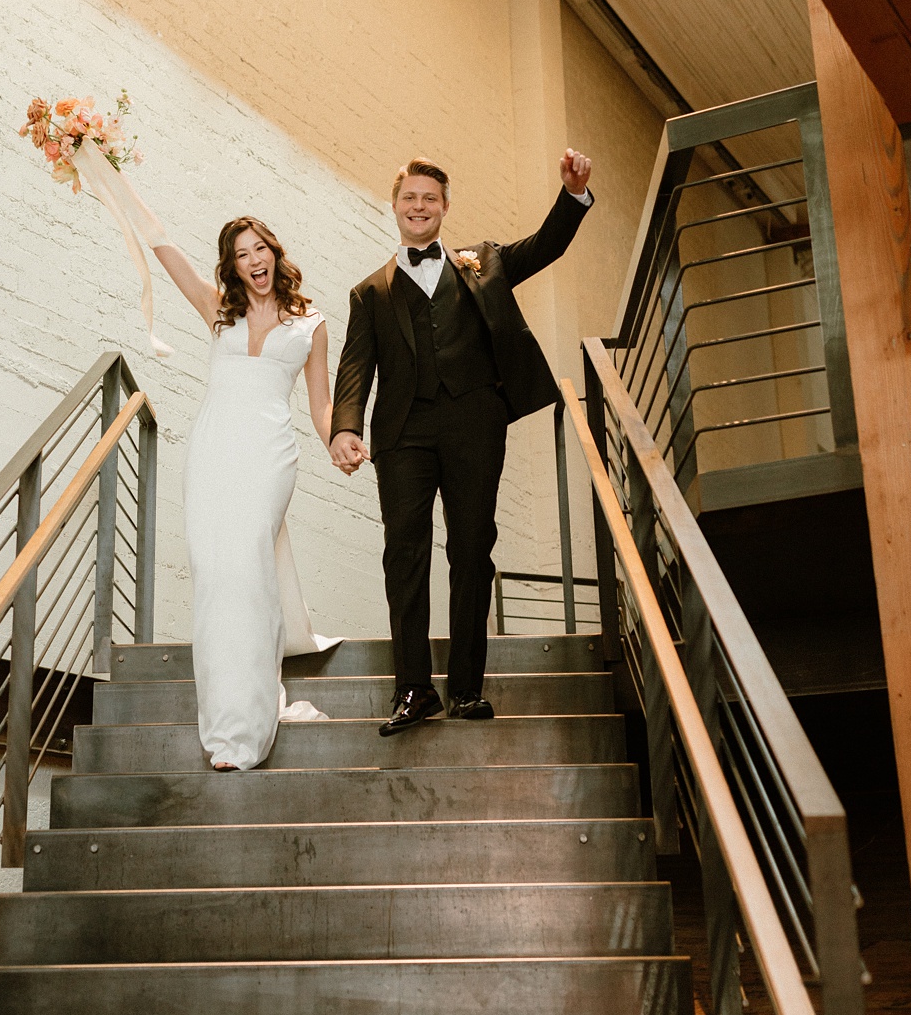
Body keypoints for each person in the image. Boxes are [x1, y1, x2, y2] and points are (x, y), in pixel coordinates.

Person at [329, 151, 592, 735]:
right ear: (395, 207)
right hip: (403, 436)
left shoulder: (485, 263)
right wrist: (345, 427)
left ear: (445, 208)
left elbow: (546, 245)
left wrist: (572, 195)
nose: (418, 207)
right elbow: (355, 367)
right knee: (405, 553)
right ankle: (413, 689)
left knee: (472, 549)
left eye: (430, 198)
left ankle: (467, 688)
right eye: (409, 198)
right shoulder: (368, 292)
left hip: (475, 425)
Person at [136, 202, 337, 770]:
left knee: (249, 567)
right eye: (242, 254)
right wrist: (104, 166)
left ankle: (246, 730)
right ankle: (228, 724)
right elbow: (162, 247)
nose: (254, 260)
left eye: (261, 249)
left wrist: (338, 443)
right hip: (212, 451)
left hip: (270, 454)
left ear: (276, 253)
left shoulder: (311, 324)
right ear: (231, 266)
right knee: (216, 577)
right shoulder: (218, 311)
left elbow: (320, 404)